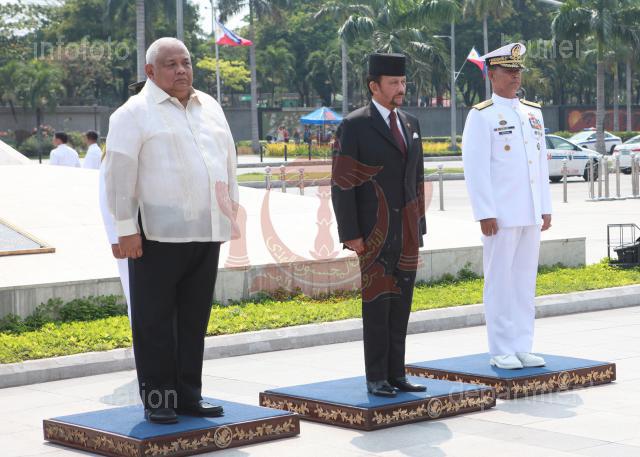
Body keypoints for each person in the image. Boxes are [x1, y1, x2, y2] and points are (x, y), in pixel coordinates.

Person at [104, 37, 239, 424]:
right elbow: (119, 175)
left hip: (207, 230)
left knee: (194, 319)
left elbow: (228, 161)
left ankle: (188, 396)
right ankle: (159, 399)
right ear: (150, 71)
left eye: (186, 62)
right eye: (170, 64)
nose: (181, 70)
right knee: (155, 321)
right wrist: (125, 228)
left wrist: (230, 214)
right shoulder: (133, 113)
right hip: (156, 235)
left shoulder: (210, 106)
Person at [331, 53, 426, 397]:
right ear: (374, 86)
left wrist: (419, 227)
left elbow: (417, 179)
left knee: (401, 306)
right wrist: (351, 234)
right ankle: (376, 377)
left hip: (407, 233)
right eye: (393, 83)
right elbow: (342, 184)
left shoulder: (411, 123)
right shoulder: (355, 125)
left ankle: (397, 374)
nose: (401, 88)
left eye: (403, 82)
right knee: (377, 305)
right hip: (372, 234)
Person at [461, 43, 552, 370]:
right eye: (508, 70)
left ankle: (522, 345)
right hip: (500, 214)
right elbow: (475, 168)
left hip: (530, 211)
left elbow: (540, 162)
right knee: (500, 281)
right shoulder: (481, 115)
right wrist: (485, 212)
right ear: (492, 75)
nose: (515, 76)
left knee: (524, 282)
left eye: (518, 70)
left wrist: (545, 206)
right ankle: (501, 349)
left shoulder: (533, 112)